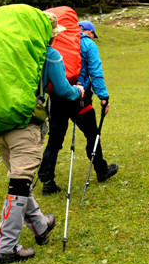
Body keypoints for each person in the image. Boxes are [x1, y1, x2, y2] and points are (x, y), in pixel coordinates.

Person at [0, 5, 83, 264]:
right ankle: (6, 248)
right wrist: (79, 91)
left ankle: (40, 226)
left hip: (1, 129)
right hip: (27, 129)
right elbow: (63, 90)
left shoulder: (14, 56)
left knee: (22, 183)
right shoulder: (48, 55)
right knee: (19, 186)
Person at [39, 19, 118, 194]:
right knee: (92, 134)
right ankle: (101, 171)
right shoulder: (88, 44)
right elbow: (95, 72)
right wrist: (103, 97)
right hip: (79, 97)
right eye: (93, 35)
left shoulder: (58, 40)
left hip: (56, 96)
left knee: (55, 139)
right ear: (89, 31)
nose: (92, 37)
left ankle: (47, 180)